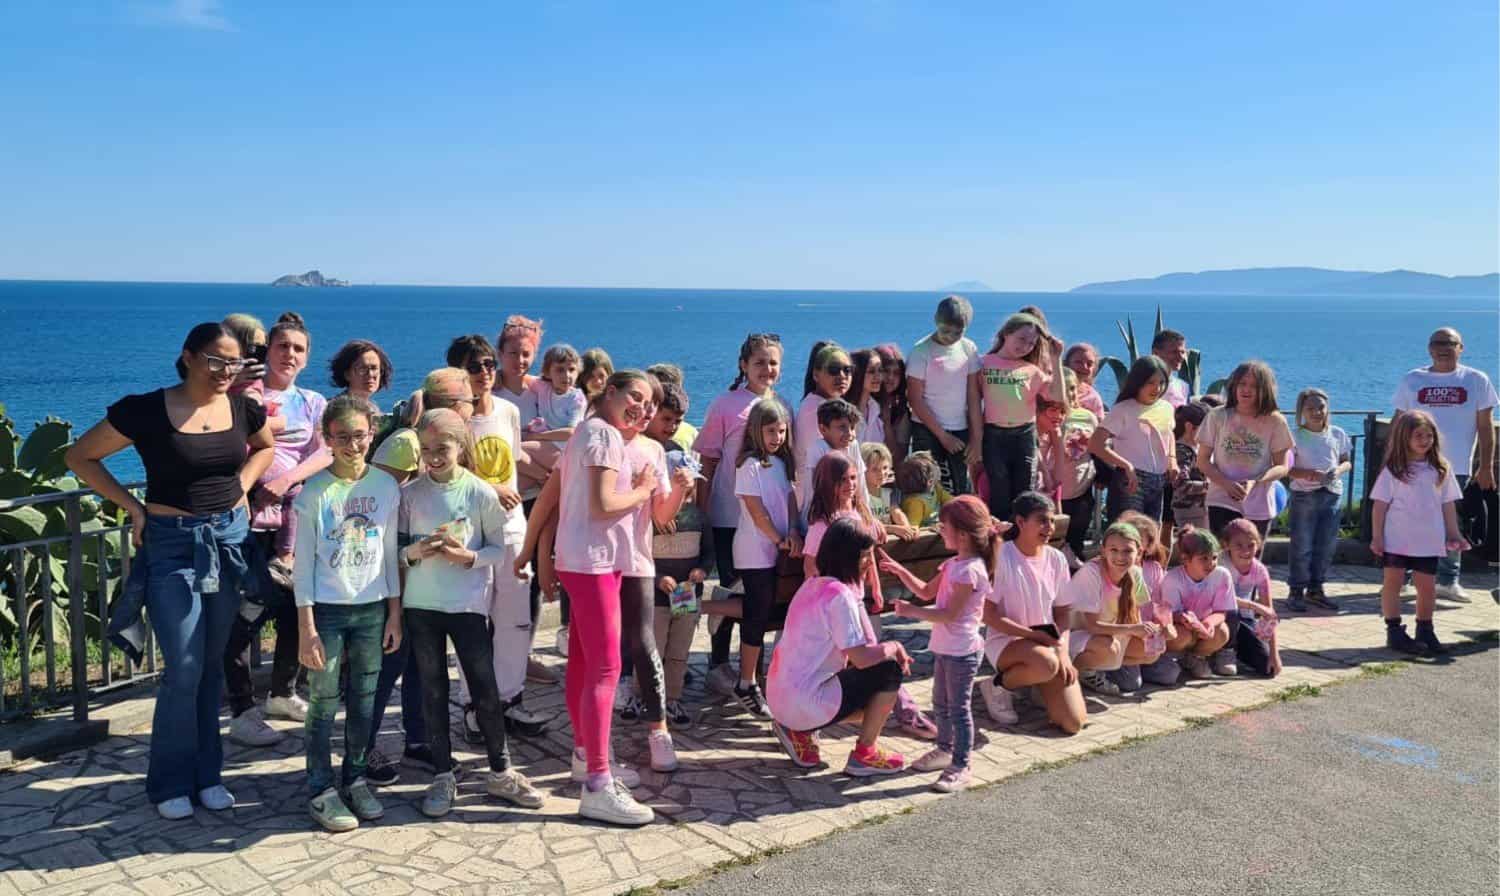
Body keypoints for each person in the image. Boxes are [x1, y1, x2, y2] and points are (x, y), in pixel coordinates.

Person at [67, 322, 274, 819]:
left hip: (227, 542)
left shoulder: (244, 407)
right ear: (188, 357)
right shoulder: (146, 410)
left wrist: (242, 487)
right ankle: (169, 783)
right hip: (172, 546)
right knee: (182, 667)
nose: (227, 370)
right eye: (216, 360)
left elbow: (264, 448)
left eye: (235, 361)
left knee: (209, 666)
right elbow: (80, 456)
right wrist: (133, 508)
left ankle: (208, 776)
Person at [399, 408, 545, 818]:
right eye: (426, 449)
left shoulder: (481, 492)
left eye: (442, 448)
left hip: (467, 607)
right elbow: (396, 552)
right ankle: (443, 774)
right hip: (422, 607)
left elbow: (499, 550)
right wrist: (415, 551)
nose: (433, 457)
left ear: (461, 447)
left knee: (485, 689)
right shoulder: (410, 494)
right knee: (433, 691)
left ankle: (500, 770)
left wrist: (469, 557)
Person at [548, 369, 659, 825]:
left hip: (583, 558)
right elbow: (603, 504)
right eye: (635, 396)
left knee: (581, 660)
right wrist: (645, 489)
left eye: (649, 404)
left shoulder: (587, 432)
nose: (642, 408)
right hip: (592, 561)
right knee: (607, 668)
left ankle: (584, 755)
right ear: (608, 392)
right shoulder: (603, 435)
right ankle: (597, 781)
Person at [291, 396, 402, 831]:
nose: (353, 445)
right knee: (322, 703)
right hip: (329, 613)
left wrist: (394, 613)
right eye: (343, 437)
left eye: (360, 436)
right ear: (328, 440)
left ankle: (355, 779)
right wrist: (307, 629)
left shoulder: (386, 487)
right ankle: (320, 788)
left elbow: (390, 554)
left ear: (372, 436)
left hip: (373, 610)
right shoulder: (314, 493)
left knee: (364, 701)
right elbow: (301, 568)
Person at [362, 367, 477, 786]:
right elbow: (377, 508)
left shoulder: (426, 441)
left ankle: (418, 738)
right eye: (467, 404)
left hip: (420, 577)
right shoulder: (407, 443)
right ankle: (362, 748)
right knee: (387, 665)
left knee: (418, 661)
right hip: (396, 575)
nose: (471, 412)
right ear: (449, 407)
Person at [225, 312, 329, 747]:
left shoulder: (312, 401)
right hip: (247, 517)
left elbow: (324, 451)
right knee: (244, 610)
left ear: (307, 358)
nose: (289, 354)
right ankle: (241, 708)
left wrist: (287, 480)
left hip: (293, 515)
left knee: (293, 606)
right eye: (283, 345)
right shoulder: (245, 390)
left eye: (298, 349)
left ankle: (282, 692)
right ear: (268, 349)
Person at [444, 336, 548, 742]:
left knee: (516, 620)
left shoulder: (507, 411)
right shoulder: (453, 421)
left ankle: (510, 698)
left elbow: (516, 459)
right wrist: (488, 487)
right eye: (474, 366)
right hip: (471, 536)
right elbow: (443, 472)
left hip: (512, 528)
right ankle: (474, 704)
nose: (484, 372)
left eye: (489, 363)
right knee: (475, 621)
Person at [767, 519, 910, 777]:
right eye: (865, 556)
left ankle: (796, 728)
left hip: (778, 699)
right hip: (804, 702)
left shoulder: (811, 584)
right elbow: (863, 657)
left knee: (872, 683)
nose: (870, 563)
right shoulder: (839, 596)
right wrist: (895, 646)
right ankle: (865, 754)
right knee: (889, 671)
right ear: (848, 557)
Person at [881, 495, 1000, 793]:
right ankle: (945, 749)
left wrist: (910, 612)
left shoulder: (971, 570)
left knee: (958, 709)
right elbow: (924, 592)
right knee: (940, 705)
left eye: (943, 526)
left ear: (961, 534)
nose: (939, 529)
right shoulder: (952, 564)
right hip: (946, 648)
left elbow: (949, 613)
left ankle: (961, 764)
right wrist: (899, 570)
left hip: (963, 651)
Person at [694, 333, 788, 697]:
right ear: (743, 365)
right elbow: (709, 460)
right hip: (728, 517)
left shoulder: (782, 407)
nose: (767, 369)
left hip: (766, 522)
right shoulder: (725, 405)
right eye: (760, 362)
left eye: (773, 362)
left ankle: (753, 668)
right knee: (730, 590)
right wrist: (702, 513)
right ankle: (719, 664)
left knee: (760, 598)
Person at [615, 375, 695, 772]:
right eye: (662, 415)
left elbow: (666, 514)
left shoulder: (667, 453)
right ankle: (623, 702)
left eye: (674, 419)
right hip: (611, 559)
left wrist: (678, 491)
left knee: (652, 640)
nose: (666, 424)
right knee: (624, 643)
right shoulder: (610, 441)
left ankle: (658, 718)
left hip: (646, 561)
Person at [1391, 326, 1498, 602]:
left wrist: (1485, 466)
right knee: (1408, 521)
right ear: (1429, 348)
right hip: (1413, 465)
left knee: (1453, 525)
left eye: (1450, 343)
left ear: (1461, 348)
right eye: (1437, 342)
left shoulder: (1476, 380)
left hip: (1456, 468)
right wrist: (1390, 460)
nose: (1443, 347)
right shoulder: (1412, 379)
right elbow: (1398, 422)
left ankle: (1448, 581)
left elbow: (1486, 427)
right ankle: (1402, 578)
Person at [978, 491, 1085, 734]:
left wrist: (1064, 652)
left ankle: (1036, 680)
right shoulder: (1001, 556)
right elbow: (988, 614)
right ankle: (997, 686)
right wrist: (1033, 636)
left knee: (1073, 723)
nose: (1049, 527)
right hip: (1007, 641)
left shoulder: (1057, 558)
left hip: (1046, 645)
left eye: (1052, 521)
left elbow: (1063, 612)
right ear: (1020, 522)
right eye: (1042, 520)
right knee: (1046, 664)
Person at [644, 383, 714, 726]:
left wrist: (702, 570)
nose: (687, 491)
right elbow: (640, 558)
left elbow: (709, 552)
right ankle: (649, 701)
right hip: (657, 599)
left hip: (687, 597)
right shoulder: (651, 521)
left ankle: (672, 699)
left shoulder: (699, 518)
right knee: (652, 651)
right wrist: (660, 579)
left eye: (690, 486)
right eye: (681, 486)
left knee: (679, 652)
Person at [1370, 410, 1467, 655]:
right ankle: (1394, 632)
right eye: (1418, 435)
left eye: (1428, 435)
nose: (1425, 440)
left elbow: (1448, 504)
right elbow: (1380, 505)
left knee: (1427, 587)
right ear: (1405, 438)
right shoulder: (1394, 470)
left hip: (1428, 539)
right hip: (1397, 538)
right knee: (1392, 584)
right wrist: (1378, 536)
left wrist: (1454, 534)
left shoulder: (1441, 469)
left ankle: (1425, 630)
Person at [730, 398, 802, 717]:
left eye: (782, 431)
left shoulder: (781, 465)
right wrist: (779, 539)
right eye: (771, 431)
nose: (777, 437)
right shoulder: (749, 466)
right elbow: (756, 512)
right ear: (757, 431)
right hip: (755, 551)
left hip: (779, 550)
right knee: (757, 616)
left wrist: (795, 533)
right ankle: (747, 683)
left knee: (768, 610)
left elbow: (788, 501)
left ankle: (709, 606)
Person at [977, 312, 1068, 521]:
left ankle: (1023, 542)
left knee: (1024, 492)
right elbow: (972, 401)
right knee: (998, 490)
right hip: (994, 434)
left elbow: (1057, 396)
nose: (1026, 346)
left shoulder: (1031, 370)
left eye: (1031, 343)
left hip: (1024, 435)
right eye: (1021, 339)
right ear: (1006, 334)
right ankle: (1000, 543)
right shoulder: (984, 363)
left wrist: (1056, 358)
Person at [1064, 521, 1165, 697]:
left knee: (1153, 648)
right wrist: (1134, 629)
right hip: (1076, 636)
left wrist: (1153, 630)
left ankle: (1098, 670)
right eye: (1114, 550)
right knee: (1109, 648)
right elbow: (1092, 626)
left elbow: (1137, 616)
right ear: (1103, 550)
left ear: (1139, 553)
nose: (1120, 556)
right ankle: (1073, 674)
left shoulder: (1135, 573)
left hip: (1111, 634)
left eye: (1127, 551)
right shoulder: (1091, 573)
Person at [1196, 361, 1294, 538]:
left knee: (1251, 560)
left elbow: (1283, 466)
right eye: (1242, 383)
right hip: (1221, 499)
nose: (1246, 389)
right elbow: (1202, 460)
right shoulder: (1217, 416)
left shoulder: (1276, 421)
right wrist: (1226, 483)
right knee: (1223, 560)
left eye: (1254, 386)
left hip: (1259, 504)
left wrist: (1255, 481)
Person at [906, 296, 982, 495]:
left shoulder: (968, 348)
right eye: (946, 330)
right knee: (931, 488)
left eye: (958, 331)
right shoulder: (921, 351)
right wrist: (942, 436)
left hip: (960, 429)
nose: (951, 336)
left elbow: (973, 395)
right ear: (935, 320)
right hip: (928, 430)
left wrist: (976, 439)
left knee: (960, 488)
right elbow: (915, 399)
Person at [1090, 355, 1178, 524]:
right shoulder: (1123, 409)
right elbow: (1095, 444)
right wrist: (1126, 465)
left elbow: (1169, 433)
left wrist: (1172, 460)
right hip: (1130, 481)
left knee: (1150, 536)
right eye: (1151, 382)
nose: (1157, 388)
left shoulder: (1166, 408)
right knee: (1129, 534)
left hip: (1159, 480)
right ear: (1138, 381)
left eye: (1161, 382)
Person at [1286, 388, 1352, 611]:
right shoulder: (1294, 436)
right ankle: (1296, 589)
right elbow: (1287, 468)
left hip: (1331, 494)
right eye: (1310, 408)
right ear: (1302, 410)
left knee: (1325, 545)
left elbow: (1346, 460)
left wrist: (1338, 471)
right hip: (1304, 494)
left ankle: (1316, 589)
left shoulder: (1337, 434)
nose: (1316, 412)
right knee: (1302, 544)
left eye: (1320, 407)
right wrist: (1310, 474)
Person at [1159, 527, 1234, 679]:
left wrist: (1209, 623)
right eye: (1203, 558)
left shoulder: (1222, 575)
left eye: (1214, 557)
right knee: (1182, 635)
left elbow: (1221, 611)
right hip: (1182, 627)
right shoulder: (1172, 579)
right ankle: (1173, 656)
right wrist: (1184, 619)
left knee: (1222, 632)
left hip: (1201, 628)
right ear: (1186, 559)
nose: (1211, 563)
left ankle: (1194, 658)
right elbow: (1168, 615)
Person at [1045, 370, 1099, 568]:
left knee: (1077, 533)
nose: (1069, 393)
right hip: (1057, 488)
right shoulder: (1051, 418)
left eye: (1073, 388)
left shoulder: (1088, 417)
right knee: (1056, 538)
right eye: (1063, 389)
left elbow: (1096, 448)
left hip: (1081, 488)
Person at [1219, 518, 1282, 678]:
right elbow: (1224, 598)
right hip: (1219, 617)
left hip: (1245, 620)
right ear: (1227, 545)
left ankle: (1238, 649)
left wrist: (1274, 654)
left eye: (1251, 545)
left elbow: (1269, 613)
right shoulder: (1220, 562)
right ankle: (1224, 652)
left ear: (1258, 545)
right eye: (1238, 545)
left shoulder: (1260, 570)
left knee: (1267, 667)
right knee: (1232, 612)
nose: (1245, 550)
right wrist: (1255, 607)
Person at [797, 398, 871, 520]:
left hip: (847, 515)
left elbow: (861, 486)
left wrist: (869, 518)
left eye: (852, 427)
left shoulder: (853, 445)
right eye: (842, 427)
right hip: (820, 517)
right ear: (823, 429)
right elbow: (814, 493)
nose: (849, 434)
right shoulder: (817, 449)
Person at [795, 342, 856, 490]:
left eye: (847, 370)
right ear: (816, 374)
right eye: (833, 370)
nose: (842, 376)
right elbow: (823, 463)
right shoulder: (814, 411)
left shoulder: (829, 405)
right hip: (822, 497)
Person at [520, 342, 587, 436]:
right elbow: (520, 377)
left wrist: (538, 437)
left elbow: (571, 432)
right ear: (547, 372)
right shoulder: (543, 386)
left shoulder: (576, 399)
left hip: (563, 443)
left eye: (571, 370)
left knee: (520, 447)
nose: (567, 375)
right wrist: (499, 375)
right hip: (545, 438)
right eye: (560, 370)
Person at [1166, 401, 1211, 535]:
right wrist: (1209, 486)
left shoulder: (1196, 449)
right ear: (1189, 427)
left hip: (1199, 509)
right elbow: (1180, 483)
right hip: (1189, 511)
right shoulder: (1182, 451)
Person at [861, 441, 917, 537]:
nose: (882, 473)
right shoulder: (859, 495)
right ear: (863, 470)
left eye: (885, 468)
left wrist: (906, 527)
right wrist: (892, 529)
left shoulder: (889, 491)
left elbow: (896, 511)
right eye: (875, 469)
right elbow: (865, 524)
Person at [873, 343, 911, 466]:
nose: (890, 377)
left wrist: (887, 425)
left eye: (896, 373)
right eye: (886, 371)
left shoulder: (900, 410)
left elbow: (898, 458)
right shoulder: (860, 401)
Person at [329, 339, 394, 411]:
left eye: (374, 368)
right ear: (347, 374)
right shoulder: (335, 410)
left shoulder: (372, 409)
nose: (370, 374)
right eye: (362, 369)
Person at [896, 451, 952, 527]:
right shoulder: (916, 502)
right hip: (927, 535)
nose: (937, 468)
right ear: (930, 481)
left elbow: (953, 502)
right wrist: (930, 529)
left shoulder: (936, 489)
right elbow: (913, 528)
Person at [843, 348, 885, 447]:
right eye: (871, 371)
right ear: (858, 373)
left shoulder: (876, 409)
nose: (878, 376)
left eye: (880, 370)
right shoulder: (844, 411)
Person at [1064, 343, 1107, 418]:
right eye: (1078, 362)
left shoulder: (1093, 397)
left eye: (1089, 364)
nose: (1084, 367)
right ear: (1067, 363)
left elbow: (1099, 425)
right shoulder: (1052, 389)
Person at [1151, 329, 1191, 408]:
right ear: (1155, 353)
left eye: (1183, 352)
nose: (1181, 357)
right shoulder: (1142, 386)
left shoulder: (1184, 387)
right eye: (1174, 352)